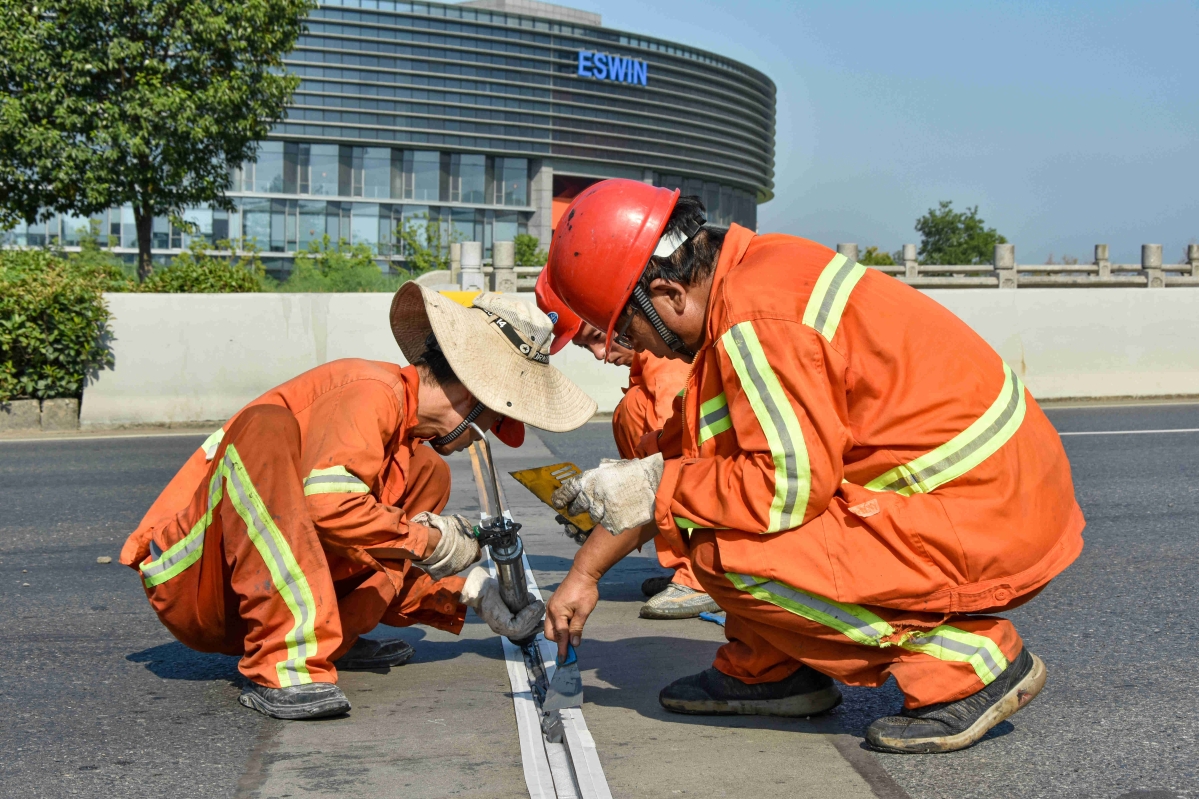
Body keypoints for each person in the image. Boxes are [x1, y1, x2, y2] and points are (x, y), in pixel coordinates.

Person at [540, 179, 1084, 753]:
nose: (627, 348)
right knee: (709, 491)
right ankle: (769, 668)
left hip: (982, 513)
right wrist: (585, 572)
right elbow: (688, 457)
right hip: (994, 494)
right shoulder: (752, 276)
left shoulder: (756, 323)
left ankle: (969, 666)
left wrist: (655, 484)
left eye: (627, 330)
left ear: (669, 293)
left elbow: (784, 490)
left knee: (722, 548)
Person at [120, 286, 596, 720]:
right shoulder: (372, 391)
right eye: (499, 416)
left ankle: (328, 641)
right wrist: (429, 541)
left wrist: (470, 590)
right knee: (264, 432)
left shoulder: (408, 447)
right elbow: (329, 508)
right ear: (476, 394)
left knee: (424, 474)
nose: (492, 431)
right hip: (197, 582)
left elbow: (371, 552)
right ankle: (284, 660)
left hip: (245, 594)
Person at [536, 271, 720, 620]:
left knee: (642, 416)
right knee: (632, 411)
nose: (599, 354)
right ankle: (689, 561)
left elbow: (678, 460)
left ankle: (703, 575)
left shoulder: (662, 362)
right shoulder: (649, 362)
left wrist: (621, 501)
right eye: (584, 347)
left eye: (595, 337)